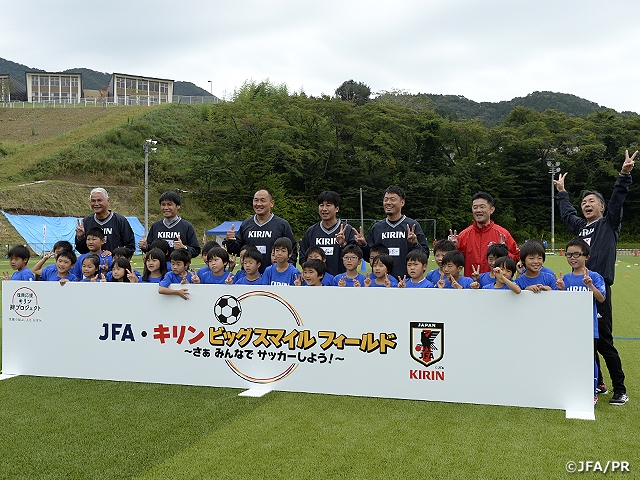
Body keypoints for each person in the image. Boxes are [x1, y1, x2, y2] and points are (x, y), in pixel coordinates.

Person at [554, 149, 637, 405]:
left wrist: (623, 175)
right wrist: (562, 193)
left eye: (591, 201)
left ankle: (620, 389)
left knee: (604, 342)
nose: (586, 205)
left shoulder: (609, 224)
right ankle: (598, 382)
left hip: (598, 291)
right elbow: (567, 214)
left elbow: (617, 201)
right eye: (584, 202)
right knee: (584, 340)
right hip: (577, 291)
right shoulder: (581, 228)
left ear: (601, 206)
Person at [556, 238, 605, 405]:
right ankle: (572, 389)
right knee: (570, 359)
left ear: (587, 256)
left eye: (577, 254)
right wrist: (561, 290)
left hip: (589, 328)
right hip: (570, 328)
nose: (572, 258)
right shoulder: (566, 278)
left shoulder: (594, 277)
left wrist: (590, 286)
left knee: (589, 360)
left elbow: (601, 298)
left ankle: (592, 392)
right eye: (569, 254)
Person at [355, 186, 429, 279]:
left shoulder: (412, 225)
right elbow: (369, 257)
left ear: (402, 202)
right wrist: (363, 245)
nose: (388, 202)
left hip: (405, 282)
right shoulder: (377, 227)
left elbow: (425, 255)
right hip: (381, 282)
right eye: (386, 200)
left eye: (392, 199)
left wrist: (415, 244)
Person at [225, 189, 297, 274]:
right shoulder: (246, 224)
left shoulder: (282, 225)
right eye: (256, 200)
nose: (259, 204)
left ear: (272, 203)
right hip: (250, 276)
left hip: (274, 276)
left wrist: (287, 272)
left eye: (263, 200)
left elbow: (292, 250)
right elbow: (236, 250)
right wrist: (230, 241)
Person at [449, 191, 519, 276]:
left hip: (495, 282)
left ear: (491, 209)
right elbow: (453, 263)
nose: (478, 210)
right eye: (475, 207)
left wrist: (505, 253)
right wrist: (453, 249)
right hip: (471, 282)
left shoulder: (503, 234)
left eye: (482, 207)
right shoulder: (464, 235)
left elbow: (517, 259)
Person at [299, 191, 355, 276]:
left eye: (328, 205)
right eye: (321, 205)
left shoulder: (348, 230)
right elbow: (303, 258)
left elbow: (355, 257)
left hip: (341, 281)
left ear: (337, 208)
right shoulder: (311, 231)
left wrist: (343, 245)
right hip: (316, 281)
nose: (324, 209)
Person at [139, 191, 200, 259]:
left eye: (169, 204)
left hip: (177, 265)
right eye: (163, 204)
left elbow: (196, 250)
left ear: (178, 206)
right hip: (160, 265)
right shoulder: (155, 226)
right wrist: (145, 247)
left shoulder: (187, 226)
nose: (166, 208)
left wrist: (184, 248)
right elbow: (151, 249)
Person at [75, 188, 135, 256]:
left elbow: (130, 247)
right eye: (93, 201)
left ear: (108, 201)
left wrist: (113, 255)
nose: (96, 204)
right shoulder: (86, 221)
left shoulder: (120, 221)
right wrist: (80, 238)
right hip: (93, 262)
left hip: (114, 262)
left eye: (99, 200)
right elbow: (82, 251)